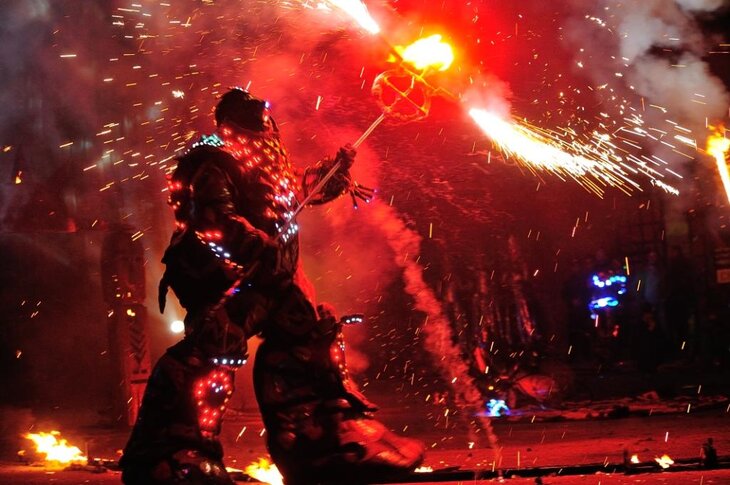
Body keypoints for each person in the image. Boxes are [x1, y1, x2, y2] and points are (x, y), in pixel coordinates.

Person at [120, 88, 424, 484]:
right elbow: (212, 219)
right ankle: (174, 451)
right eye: (253, 116)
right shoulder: (215, 161)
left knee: (310, 338)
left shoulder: (267, 161)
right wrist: (253, 242)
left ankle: (323, 441)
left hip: (276, 280)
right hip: (227, 278)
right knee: (214, 349)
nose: (263, 120)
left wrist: (332, 173)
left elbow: (299, 191)